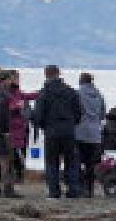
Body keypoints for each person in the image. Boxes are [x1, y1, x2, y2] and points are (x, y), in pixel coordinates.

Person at [34, 65, 84, 198]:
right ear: (58, 74)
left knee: (51, 162)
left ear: (46, 75)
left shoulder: (44, 93)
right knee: (71, 161)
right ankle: (73, 189)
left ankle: (54, 191)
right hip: (68, 131)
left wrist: (41, 125)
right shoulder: (71, 92)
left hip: (51, 132)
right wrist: (72, 123)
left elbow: (38, 115)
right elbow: (79, 113)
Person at [74, 72, 107, 195]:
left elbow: (74, 111)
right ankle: (90, 189)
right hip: (95, 135)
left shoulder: (78, 94)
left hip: (80, 132)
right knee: (91, 164)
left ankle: (80, 187)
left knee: (77, 162)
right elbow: (103, 114)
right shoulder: (99, 95)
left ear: (81, 81)